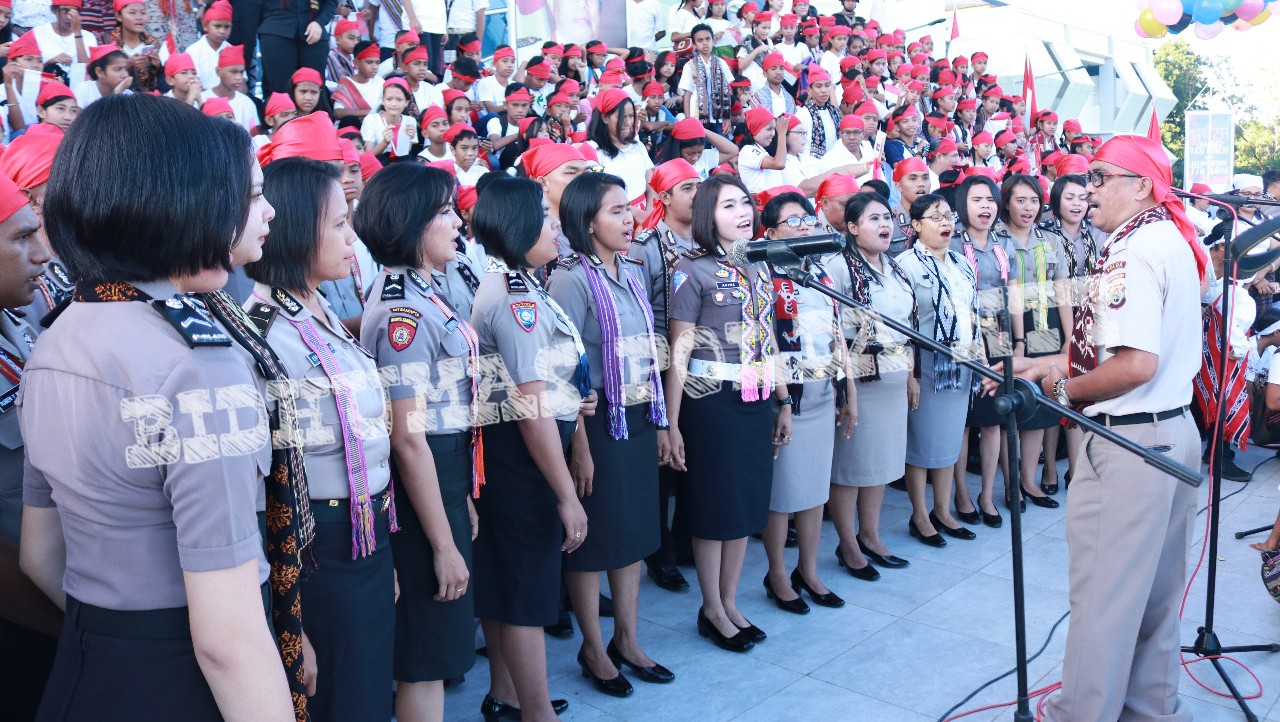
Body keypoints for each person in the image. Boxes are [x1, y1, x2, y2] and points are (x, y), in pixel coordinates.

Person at [20, 93, 294, 721]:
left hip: (90, 665)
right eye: (240, 195)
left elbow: (41, 557)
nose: (263, 212)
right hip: (180, 680)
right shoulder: (196, 362)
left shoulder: (60, 333)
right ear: (178, 200)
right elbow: (227, 640)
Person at [993, 135, 1205, 722]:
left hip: (1128, 443)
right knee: (1155, 601)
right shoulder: (1170, 237)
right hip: (1170, 434)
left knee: (1103, 601)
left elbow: (1134, 366)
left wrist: (1055, 392)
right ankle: (1147, 710)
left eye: (1101, 177)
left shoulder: (1132, 252)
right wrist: (1045, 365)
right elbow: (1114, 351)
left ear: (1140, 185)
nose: (1088, 189)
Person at [245, 156, 396, 722]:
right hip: (318, 549)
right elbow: (262, 492)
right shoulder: (263, 335)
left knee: (366, 688)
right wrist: (289, 619)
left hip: (365, 531)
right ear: (293, 228)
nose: (351, 236)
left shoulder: (322, 309)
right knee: (339, 696)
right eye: (337, 223)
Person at [356, 164, 478, 722]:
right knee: (426, 655)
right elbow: (408, 441)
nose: (457, 222)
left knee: (439, 647)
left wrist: (463, 500)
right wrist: (443, 543)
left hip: (446, 473)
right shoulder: (403, 309)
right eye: (444, 212)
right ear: (411, 222)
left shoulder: (424, 288)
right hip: (422, 479)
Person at [546, 172, 674, 697]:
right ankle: (593, 646)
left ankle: (628, 638)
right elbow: (565, 370)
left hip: (638, 416)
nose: (630, 219)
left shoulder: (634, 268)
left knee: (635, 535)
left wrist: (662, 423)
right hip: (597, 424)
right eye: (617, 211)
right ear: (587, 220)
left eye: (629, 209)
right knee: (594, 541)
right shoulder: (570, 279)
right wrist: (578, 442)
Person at [469, 176, 592, 722]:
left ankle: (506, 694)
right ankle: (535, 713)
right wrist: (566, 495)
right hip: (522, 459)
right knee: (524, 592)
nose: (555, 227)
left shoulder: (520, 282)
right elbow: (531, 407)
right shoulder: (514, 297)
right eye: (544, 218)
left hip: (515, 450)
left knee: (507, 583)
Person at [665, 174, 775, 653]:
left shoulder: (759, 265)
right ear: (708, 215)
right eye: (729, 206)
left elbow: (768, 339)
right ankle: (711, 607)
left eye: (745, 202)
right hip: (710, 403)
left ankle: (730, 601)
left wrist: (784, 401)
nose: (743, 211)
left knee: (746, 506)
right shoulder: (692, 271)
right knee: (714, 508)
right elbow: (679, 353)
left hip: (757, 398)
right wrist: (670, 424)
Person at [758, 188, 847, 611]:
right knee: (783, 495)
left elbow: (836, 334)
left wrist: (846, 392)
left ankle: (807, 568)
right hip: (786, 395)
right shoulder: (762, 275)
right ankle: (776, 572)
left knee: (814, 489)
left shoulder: (821, 271)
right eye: (792, 221)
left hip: (822, 388)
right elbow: (765, 343)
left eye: (807, 220)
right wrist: (784, 403)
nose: (804, 227)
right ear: (770, 230)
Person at [827, 192, 917, 575]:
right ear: (851, 227)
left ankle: (871, 534)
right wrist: (846, 391)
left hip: (895, 374)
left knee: (879, 464)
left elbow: (908, 328)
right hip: (860, 378)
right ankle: (848, 544)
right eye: (874, 219)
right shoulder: (838, 268)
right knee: (852, 467)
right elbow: (832, 333)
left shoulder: (894, 267)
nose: (885, 225)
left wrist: (911, 374)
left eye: (888, 217)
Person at [0, 172, 58, 722]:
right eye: (21, 239)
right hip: (26, 625)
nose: (42, 254)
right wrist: (74, 629)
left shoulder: (15, 322)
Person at [896, 192, 980, 547]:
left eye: (948, 216)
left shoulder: (961, 262)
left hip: (960, 364)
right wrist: (910, 373)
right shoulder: (905, 265)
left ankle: (942, 510)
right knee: (922, 445)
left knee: (948, 442)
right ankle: (919, 514)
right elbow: (901, 325)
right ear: (916, 226)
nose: (946, 222)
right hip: (927, 365)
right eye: (935, 216)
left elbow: (973, 314)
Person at [996, 174, 1067, 510]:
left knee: (1040, 403)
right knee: (1009, 402)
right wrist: (1018, 341)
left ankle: (1029, 480)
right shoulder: (995, 239)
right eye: (1020, 200)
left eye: (1034, 200)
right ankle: (1011, 483)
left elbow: (1064, 291)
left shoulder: (1050, 241)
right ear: (1006, 202)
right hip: (1003, 328)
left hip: (1045, 323)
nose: (1028, 207)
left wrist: (1069, 339)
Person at [949, 173, 1008, 528]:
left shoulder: (1004, 246)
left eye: (990, 199)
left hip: (997, 335)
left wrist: (1014, 343)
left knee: (994, 420)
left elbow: (1010, 298)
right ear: (963, 205)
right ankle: (960, 492)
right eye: (977, 200)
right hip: (963, 338)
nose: (985, 206)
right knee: (963, 423)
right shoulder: (953, 244)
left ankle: (987, 493)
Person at [587, 88, 652, 209]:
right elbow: (600, 195)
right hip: (617, 216)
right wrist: (639, 216)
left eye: (631, 116)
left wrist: (649, 215)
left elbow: (651, 183)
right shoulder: (594, 150)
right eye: (622, 117)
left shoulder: (638, 146)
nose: (628, 122)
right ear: (605, 118)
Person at [257, 0, 334, 96]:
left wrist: (319, 22)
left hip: (313, 29)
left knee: (313, 85)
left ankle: (316, 111)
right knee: (280, 88)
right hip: (276, 28)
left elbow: (330, 2)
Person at [678, 23, 733, 135]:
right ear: (694, 44)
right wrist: (688, 119)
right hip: (697, 116)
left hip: (719, 116)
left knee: (721, 145)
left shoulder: (721, 63)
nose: (705, 43)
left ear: (713, 40)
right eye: (700, 40)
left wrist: (728, 118)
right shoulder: (689, 66)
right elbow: (687, 94)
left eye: (708, 39)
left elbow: (727, 91)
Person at [186, 0, 231, 92]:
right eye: (217, 26)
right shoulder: (193, 51)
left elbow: (241, 84)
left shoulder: (232, 50)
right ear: (205, 25)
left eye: (226, 27)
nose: (222, 31)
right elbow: (193, 83)